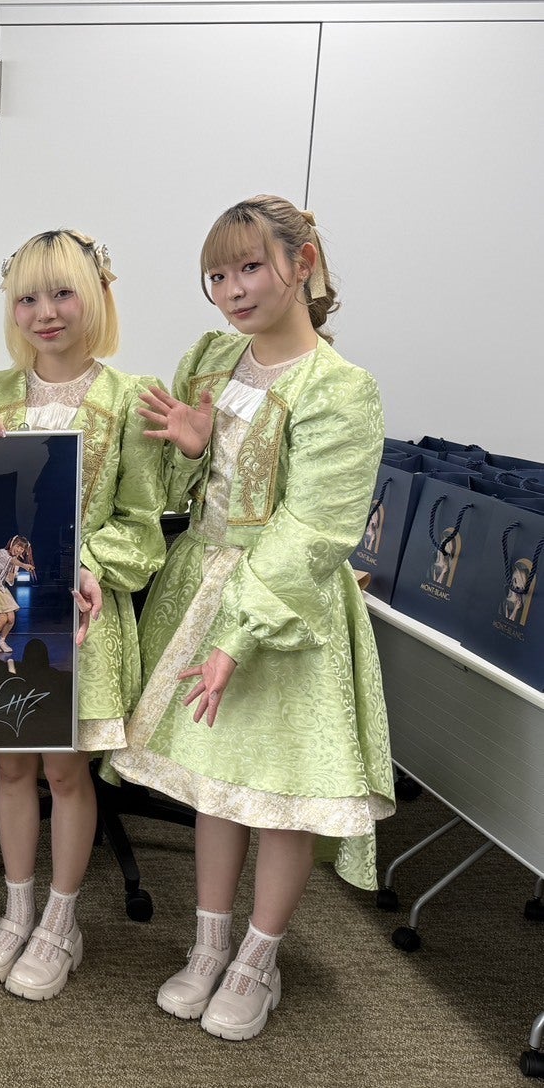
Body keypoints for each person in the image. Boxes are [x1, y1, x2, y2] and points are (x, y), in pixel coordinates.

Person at [110, 195, 394, 1040]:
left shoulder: (339, 389)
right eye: (216, 275)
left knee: (275, 792)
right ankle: (206, 948)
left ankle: (256, 962)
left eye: (248, 268)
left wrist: (237, 635)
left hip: (283, 609)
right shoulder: (211, 360)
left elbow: (314, 529)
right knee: (214, 785)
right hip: (199, 585)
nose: (231, 289)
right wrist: (191, 449)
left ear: (301, 263)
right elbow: (174, 488)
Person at [0, 229, 165, 998]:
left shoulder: (129, 398)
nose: (44, 312)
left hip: (78, 612)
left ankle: (59, 922)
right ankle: (16, 913)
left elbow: (141, 522)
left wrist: (89, 562)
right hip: (1, 608)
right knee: (10, 764)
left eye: (62, 293)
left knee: (64, 769)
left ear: (96, 296)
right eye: (26, 299)